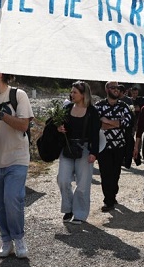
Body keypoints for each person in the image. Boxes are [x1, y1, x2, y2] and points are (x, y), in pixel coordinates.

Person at [0, 70, 35, 258]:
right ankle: (6, 241)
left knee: (12, 199)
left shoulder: (18, 95)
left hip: (17, 158)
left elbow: (24, 125)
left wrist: (1, 114)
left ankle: (19, 238)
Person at [57, 81, 101, 222]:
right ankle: (68, 209)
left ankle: (80, 214)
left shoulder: (92, 111)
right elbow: (60, 124)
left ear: (83, 94)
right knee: (62, 180)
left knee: (83, 184)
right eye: (71, 92)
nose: (71, 94)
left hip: (85, 149)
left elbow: (95, 133)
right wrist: (59, 128)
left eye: (75, 92)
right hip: (68, 148)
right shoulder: (67, 107)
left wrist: (94, 153)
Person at [94, 81, 133, 212]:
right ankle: (108, 200)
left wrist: (108, 121)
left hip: (119, 146)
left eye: (117, 87)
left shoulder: (124, 106)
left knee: (116, 173)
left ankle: (112, 194)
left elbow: (128, 122)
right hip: (103, 146)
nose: (116, 89)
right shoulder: (99, 106)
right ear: (107, 89)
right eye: (113, 87)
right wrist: (116, 123)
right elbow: (97, 124)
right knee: (105, 174)